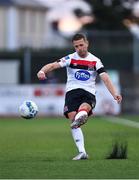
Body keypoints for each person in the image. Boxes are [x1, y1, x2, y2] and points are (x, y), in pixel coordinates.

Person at [37, 33, 122, 160]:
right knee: (73, 120)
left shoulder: (95, 61)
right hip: (72, 92)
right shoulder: (70, 58)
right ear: (74, 47)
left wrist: (114, 93)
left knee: (84, 108)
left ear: (87, 44)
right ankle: (82, 152)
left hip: (88, 92)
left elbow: (105, 78)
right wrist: (42, 71)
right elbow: (53, 65)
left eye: (81, 45)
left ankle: (83, 114)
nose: (79, 48)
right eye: (76, 46)